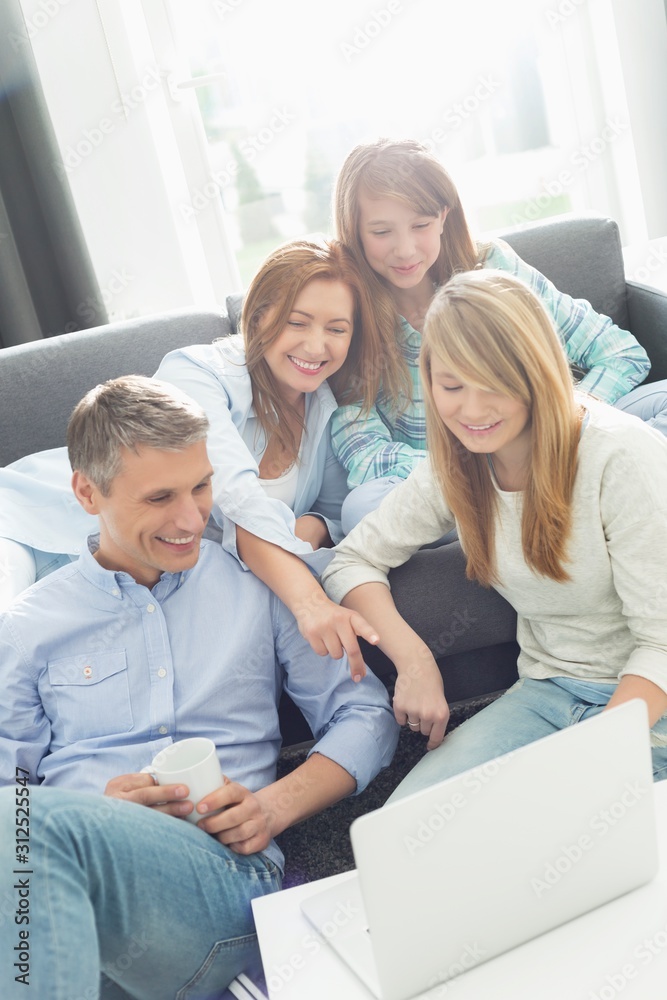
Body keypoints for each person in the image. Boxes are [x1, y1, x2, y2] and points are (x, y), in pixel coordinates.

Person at [0, 375, 398, 999]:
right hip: (61, 900)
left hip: (222, 883)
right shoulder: (27, 628)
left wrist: (273, 807)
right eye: (160, 497)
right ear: (87, 492)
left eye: (202, 486)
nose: (191, 519)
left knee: (29, 839)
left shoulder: (258, 585)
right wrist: (98, 817)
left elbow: (365, 714)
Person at [321, 269, 667, 789]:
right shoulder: (454, 465)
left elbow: (661, 644)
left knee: (571, 839)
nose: (473, 410)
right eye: (452, 386)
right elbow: (351, 560)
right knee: (413, 827)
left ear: (536, 374)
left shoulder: (620, 455)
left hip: (648, 702)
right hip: (548, 692)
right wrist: (415, 661)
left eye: (496, 385)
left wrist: (597, 757)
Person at [0, 238, 383, 677]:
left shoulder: (327, 411)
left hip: (122, 580)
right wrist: (307, 598)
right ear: (258, 318)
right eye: (298, 323)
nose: (317, 346)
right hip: (30, 523)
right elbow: (232, 496)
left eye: (337, 329)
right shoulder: (198, 373)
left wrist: (310, 526)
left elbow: (334, 514)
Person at [331, 137, 667, 532]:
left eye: (420, 225)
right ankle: (547, 513)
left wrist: (554, 430)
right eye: (382, 231)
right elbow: (362, 449)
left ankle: (556, 506)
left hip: (554, 447)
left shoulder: (492, 266)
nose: (405, 250)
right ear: (354, 231)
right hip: (450, 487)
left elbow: (620, 353)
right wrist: (479, 468)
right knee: (361, 508)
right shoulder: (347, 309)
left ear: (443, 216)